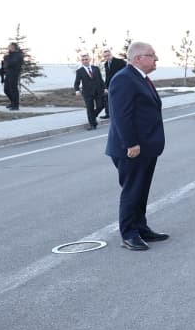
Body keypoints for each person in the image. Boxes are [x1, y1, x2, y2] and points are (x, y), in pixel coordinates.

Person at [105, 41, 168, 251]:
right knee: (132, 191)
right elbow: (121, 116)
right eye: (152, 55)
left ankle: (141, 228)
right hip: (132, 149)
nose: (156, 58)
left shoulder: (141, 78)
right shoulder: (124, 79)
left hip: (146, 147)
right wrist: (131, 143)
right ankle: (129, 234)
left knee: (141, 190)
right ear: (138, 58)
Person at [72, 53, 105, 129]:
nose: (85, 61)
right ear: (81, 61)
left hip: (98, 91)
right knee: (90, 108)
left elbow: (100, 79)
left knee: (101, 105)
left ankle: (93, 116)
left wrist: (105, 88)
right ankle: (93, 125)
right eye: (83, 60)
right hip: (87, 93)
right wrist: (77, 90)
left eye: (86, 59)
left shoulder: (96, 68)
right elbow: (77, 82)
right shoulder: (79, 71)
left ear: (89, 60)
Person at [100, 47, 127, 119]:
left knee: (119, 99)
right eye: (105, 56)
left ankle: (121, 112)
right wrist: (105, 87)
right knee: (107, 98)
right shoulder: (106, 64)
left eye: (108, 55)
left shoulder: (120, 61)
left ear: (111, 54)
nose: (107, 57)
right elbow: (107, 76)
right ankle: (108, 114)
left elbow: (126, 73)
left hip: (120, 84)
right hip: (110, 84)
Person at [0, 42, 23, 110]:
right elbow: (6, 64)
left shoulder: (18, 54)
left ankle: (16, 105)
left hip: (14, 73)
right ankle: (12, 102)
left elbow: (12, 63)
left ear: (14, 47)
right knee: (6, 90)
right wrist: (2, 70)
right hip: (8, 73)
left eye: (10, 46)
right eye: (8, 46)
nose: (8, 47)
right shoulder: (10, 54)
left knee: (13, 89)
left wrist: (6, 57)